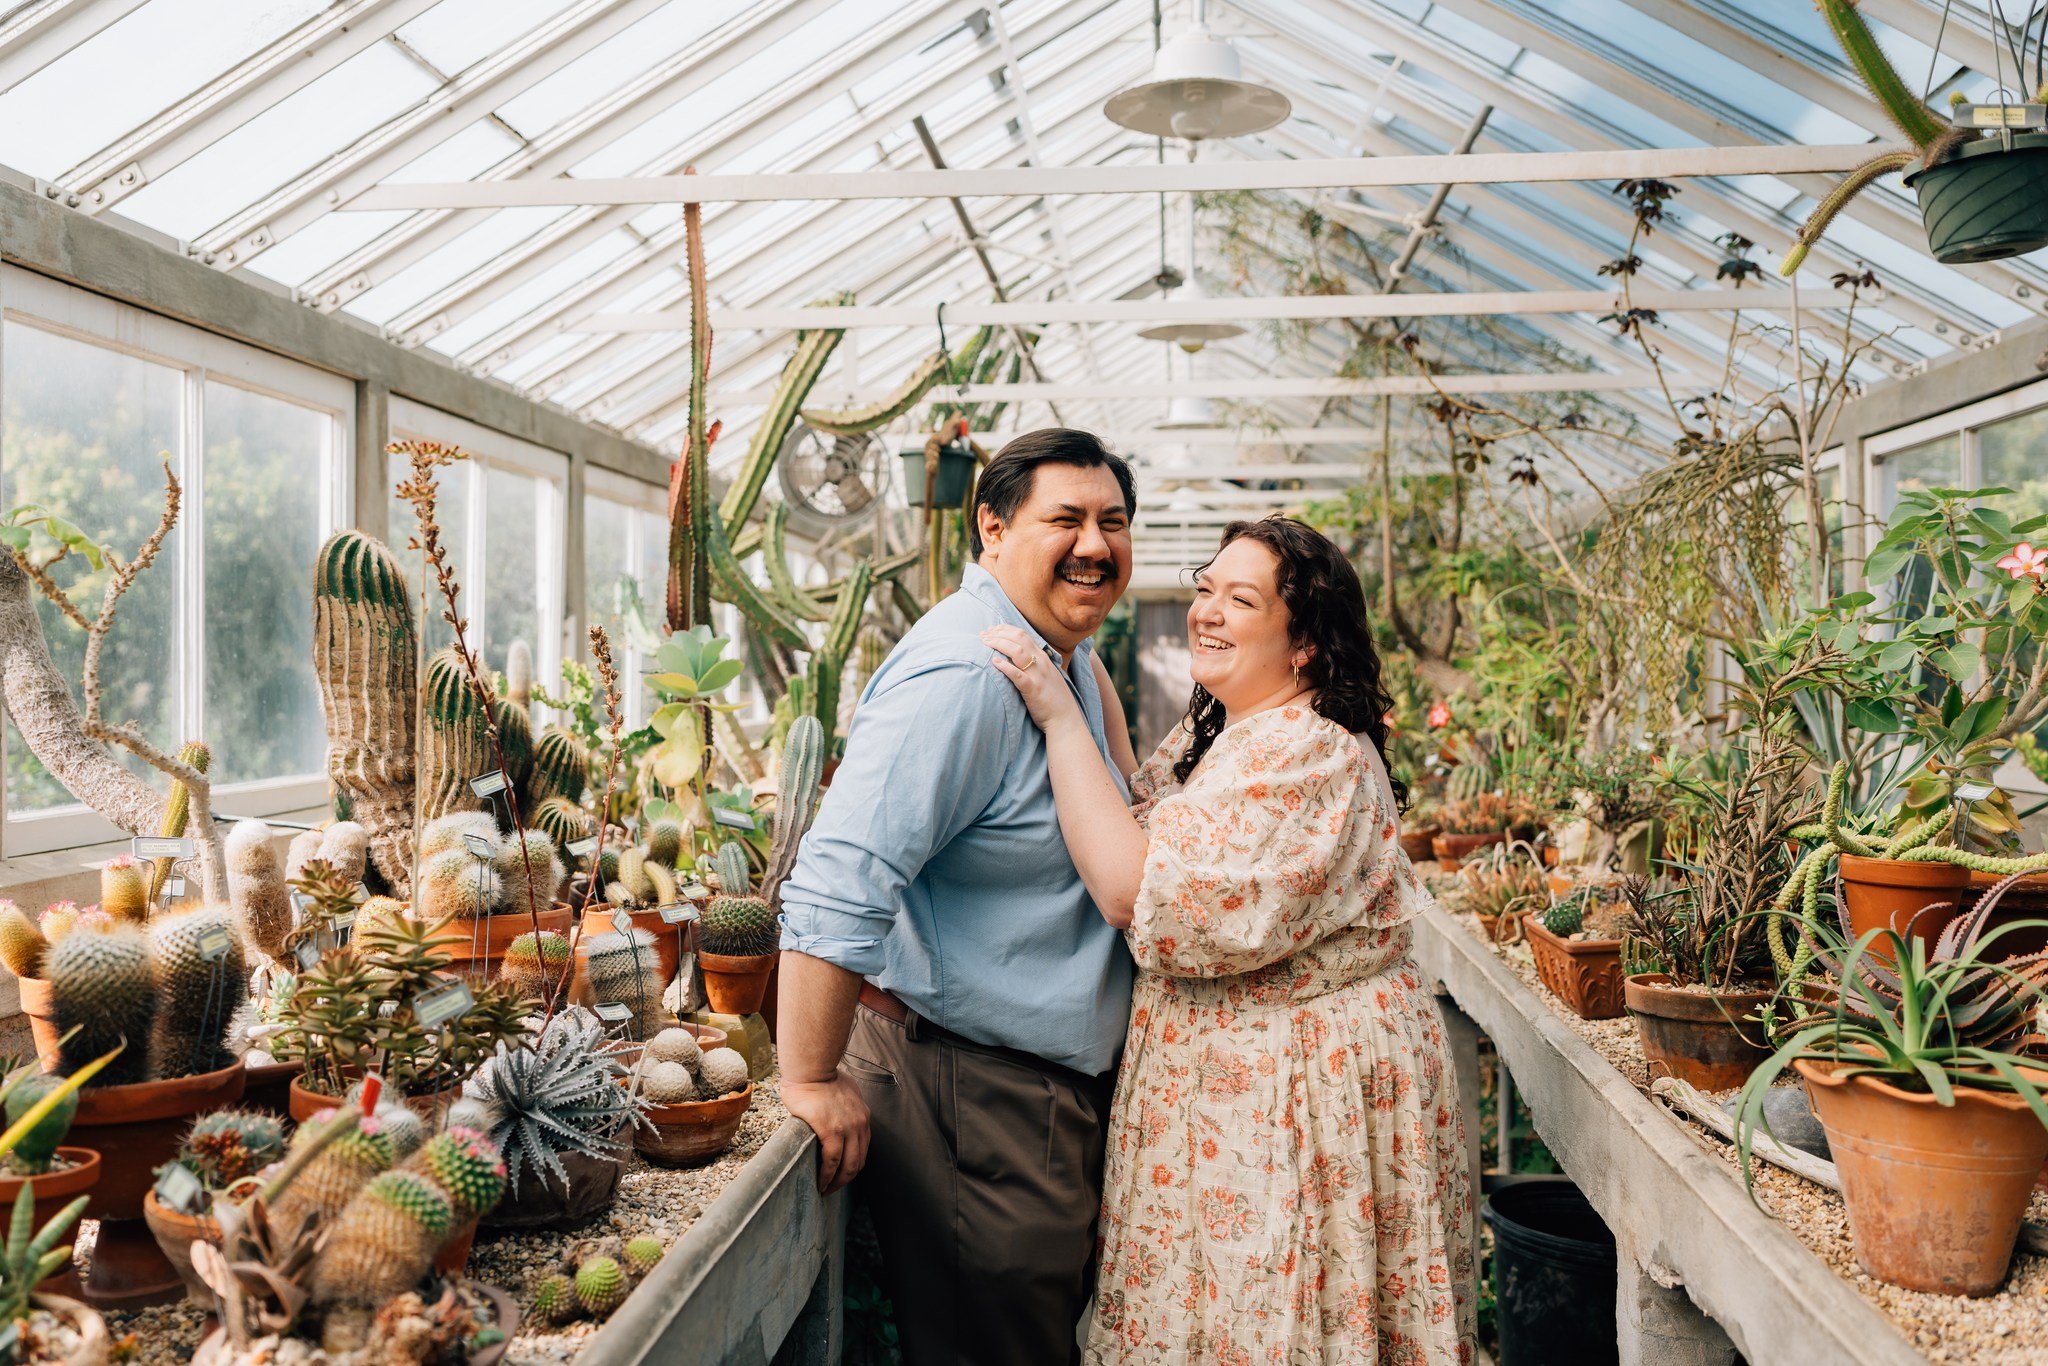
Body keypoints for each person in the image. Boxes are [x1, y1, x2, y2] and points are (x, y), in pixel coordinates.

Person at [982, 515, 1475, 1364]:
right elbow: (1139, 803)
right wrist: (1079, 658)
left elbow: (1134, 890)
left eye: (1240, 600)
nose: (1206, 611)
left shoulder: (1304, 751)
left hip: (1290, 1096)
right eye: (1205, 588)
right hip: (1250, 1087)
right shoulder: (1240, 726)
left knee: (1271, 1315)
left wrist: (1060, 718)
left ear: (1306, 644)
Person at [777, 427, 1142, 1366]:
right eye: (1066, 519)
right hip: (976, 1097)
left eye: (1112, 522)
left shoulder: (1057, 655)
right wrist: (809, 1077)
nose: (1095, 545)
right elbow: (841, 874)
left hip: (1016, 1094)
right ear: (992, 527)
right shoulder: (969, 676)